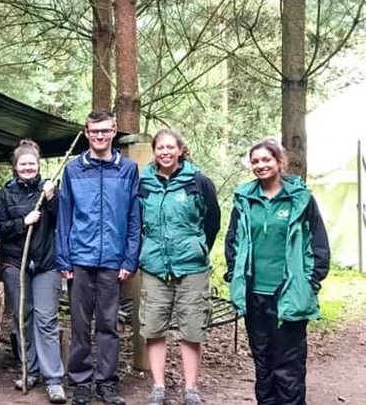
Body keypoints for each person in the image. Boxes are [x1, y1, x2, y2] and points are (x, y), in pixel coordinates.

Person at [225, 138, 329, 405]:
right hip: (254, 294)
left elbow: (318, 244)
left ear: (279, 161)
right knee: (263, 363)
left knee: (289, 365)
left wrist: (310, 283)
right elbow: (233, 242)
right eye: (256, 161)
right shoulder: (245, 200)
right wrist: (234, 276)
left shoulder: (300, 199)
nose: (261, 165)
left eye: (266, 159)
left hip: (289, 293)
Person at [56, 109, 140, 405]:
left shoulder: (127, 170)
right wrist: (63, 260)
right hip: (80, 258)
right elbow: (64, 217)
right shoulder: (74, 169)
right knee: (79, 323)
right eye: (95, 131)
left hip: (113, 261)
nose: (100, 136)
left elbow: (133, 217)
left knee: (108, 324)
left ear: (114, 131)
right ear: (87, 133)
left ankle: (106, 382)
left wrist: (130, 259)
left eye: (105, 131)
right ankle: (80, 381)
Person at [138, 130, 220, 405]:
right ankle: (158, 387)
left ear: (180, 150)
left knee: (192, 328)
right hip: (154, 266)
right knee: (153, 327)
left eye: (170, 147)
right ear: (155, 151)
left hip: (192, 268)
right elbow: (137, 222)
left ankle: (191, 389)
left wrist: (196, 248)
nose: (165, 152)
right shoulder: (144, 183)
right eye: (160, 147)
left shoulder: (198, 181)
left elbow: (213, 222)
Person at [0, 139, 67, 403]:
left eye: (32, 164)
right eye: (22, 164)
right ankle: (29, 370)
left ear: (38, 165)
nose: (27, 168)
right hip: (15, 263)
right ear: (15, 167)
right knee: (22, 320)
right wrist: (21, 223)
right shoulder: (5, 194)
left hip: (46, 264)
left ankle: (54, 378)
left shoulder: (49, 189)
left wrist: (51, 198)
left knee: (46, 319)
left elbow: (63, 220)